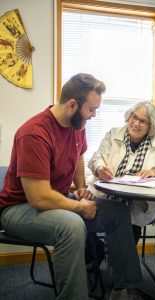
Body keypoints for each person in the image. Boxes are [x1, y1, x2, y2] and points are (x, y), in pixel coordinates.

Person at [0, 74, 144, 300]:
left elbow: (78, 155)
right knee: (72, 225)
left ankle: (124, 290)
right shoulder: (34, 134)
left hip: (54, 199)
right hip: (18, 210)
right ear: (72, 105)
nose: (94, 115)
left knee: (117, 212)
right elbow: (38, 198)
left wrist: (81, 188)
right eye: (91, 110)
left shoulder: (78, 125)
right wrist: (79, 207)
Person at [88, 101, 155, 242]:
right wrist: (99, 168)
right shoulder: (113, 135)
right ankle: (97, 256)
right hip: (105, 197)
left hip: (138, 204)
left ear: (151, 126)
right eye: (134, 117)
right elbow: (97, 157)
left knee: (129, 225)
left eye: (142, 121)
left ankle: (119, 261)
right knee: (86, 223)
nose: (135, 123)